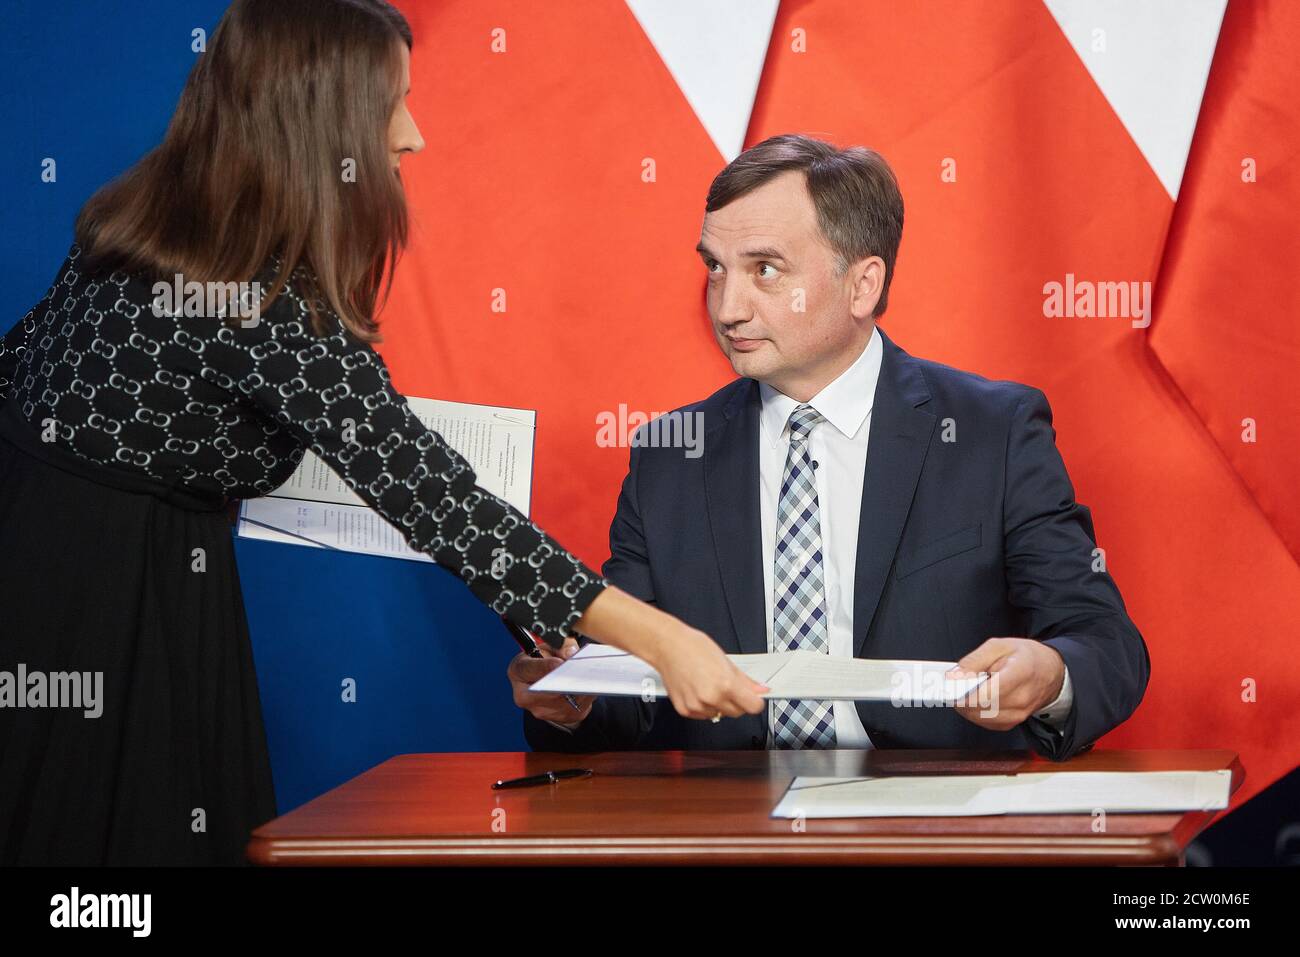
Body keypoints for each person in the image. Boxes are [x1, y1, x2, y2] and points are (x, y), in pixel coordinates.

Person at [0, 0, 765, 866]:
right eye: (389, 105)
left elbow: (20, 367)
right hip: (107, 610)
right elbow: (439, 499)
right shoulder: (255, 295)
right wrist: (666, 640)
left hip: (74, 571)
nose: (412, 136)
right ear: (320, 127)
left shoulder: (146, 217)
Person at [512, 134, 1150, 758]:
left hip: (933, 826)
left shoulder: (994, 432)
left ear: (862, 285)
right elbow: (631, 697)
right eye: (714, 267)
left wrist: (1050, 671)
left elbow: (1105, 643)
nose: (728, 307)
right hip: (734, 831)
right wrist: (577, 699)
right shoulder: (671, 456)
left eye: (764, 270)